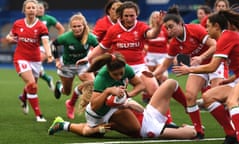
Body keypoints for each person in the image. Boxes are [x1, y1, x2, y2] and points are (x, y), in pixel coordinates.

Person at [48, 53, 196, 139]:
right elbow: (94, 105)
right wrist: (108, 92)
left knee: (170, 83)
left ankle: (186, 110)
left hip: (127, 110)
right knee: (91, 132)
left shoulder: (126, 69)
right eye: (116, 74)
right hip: (98, 113)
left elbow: (141, 86)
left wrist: (128, 96)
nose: (120, 76)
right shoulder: (101, 79)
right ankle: (63, 125)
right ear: (108, 72)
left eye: (121, 73)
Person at [86, 1, 174, 125]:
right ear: (121, 16)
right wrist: (87, 58)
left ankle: (167, 121)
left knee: (155, 89)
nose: (129, 18)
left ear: (136, 15)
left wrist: (158, 27)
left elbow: (151, 34)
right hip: (118, 67)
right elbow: (102, 47)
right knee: (103, 94)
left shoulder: (141, 26)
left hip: (139, 66)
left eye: (132, 15)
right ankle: (98, 117)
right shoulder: (113, 30)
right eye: (126, 16)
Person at [149, 6, 228, 139]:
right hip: (198, 67)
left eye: (171, 26)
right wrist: (152, 75)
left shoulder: (194, 29)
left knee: (219, 97)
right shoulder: (174, 43)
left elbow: (215, 45)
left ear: (181, 24)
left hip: (215, 62)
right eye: (166, 28)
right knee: (190, 96)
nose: (169, 30)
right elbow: (165, 65)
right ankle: (199, 131)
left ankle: (231, 127)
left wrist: (201, 58)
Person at [172, 9, 239, 144]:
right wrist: (231, 79)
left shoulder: (226, 37)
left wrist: (189, 69)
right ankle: (231, 134)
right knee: (208, 97)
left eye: (208, 26)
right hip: (237, 79)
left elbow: (212, 67)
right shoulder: (225, 37)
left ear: (216, 26)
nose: (206, 29)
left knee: (232, 102)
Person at [5, 0, 54, 122]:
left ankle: (23, 98)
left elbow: (45, 42)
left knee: (31, 86)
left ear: (37, 10)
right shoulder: (18, 24)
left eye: (34, 7)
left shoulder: (41, 26)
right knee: (32, 84)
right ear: (24, 10)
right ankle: (39, 115)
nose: (32, 9)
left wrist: (49, 55)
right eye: (29, 7)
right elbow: (9, 36)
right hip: (21, 58)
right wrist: (10, 39)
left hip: (35, 59)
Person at [51, 12, 98, 120]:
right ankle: (59, 88)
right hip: (67, 66)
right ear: (71, 27)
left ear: (84, 26)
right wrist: (57, 60)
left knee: (91, 84)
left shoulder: (90, 37)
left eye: (79, 26)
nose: (77, 29)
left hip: (83, 65)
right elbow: (54, 45)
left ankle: (83, 108)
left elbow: (98, 48)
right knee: (66, 92)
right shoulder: (66, 37)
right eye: (74, 26)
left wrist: (93, 59)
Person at [36, 0, 65, 91]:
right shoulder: (32, 18)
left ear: (44, 9)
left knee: (36, 62)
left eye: (41, 8)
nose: (39, 10)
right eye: (37, 8)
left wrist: (56, 41)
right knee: (35, 67)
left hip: (44, 46)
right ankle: (47, 79)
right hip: (32, 46)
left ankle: (29, 93)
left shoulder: (48, 19)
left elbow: (61, 29)